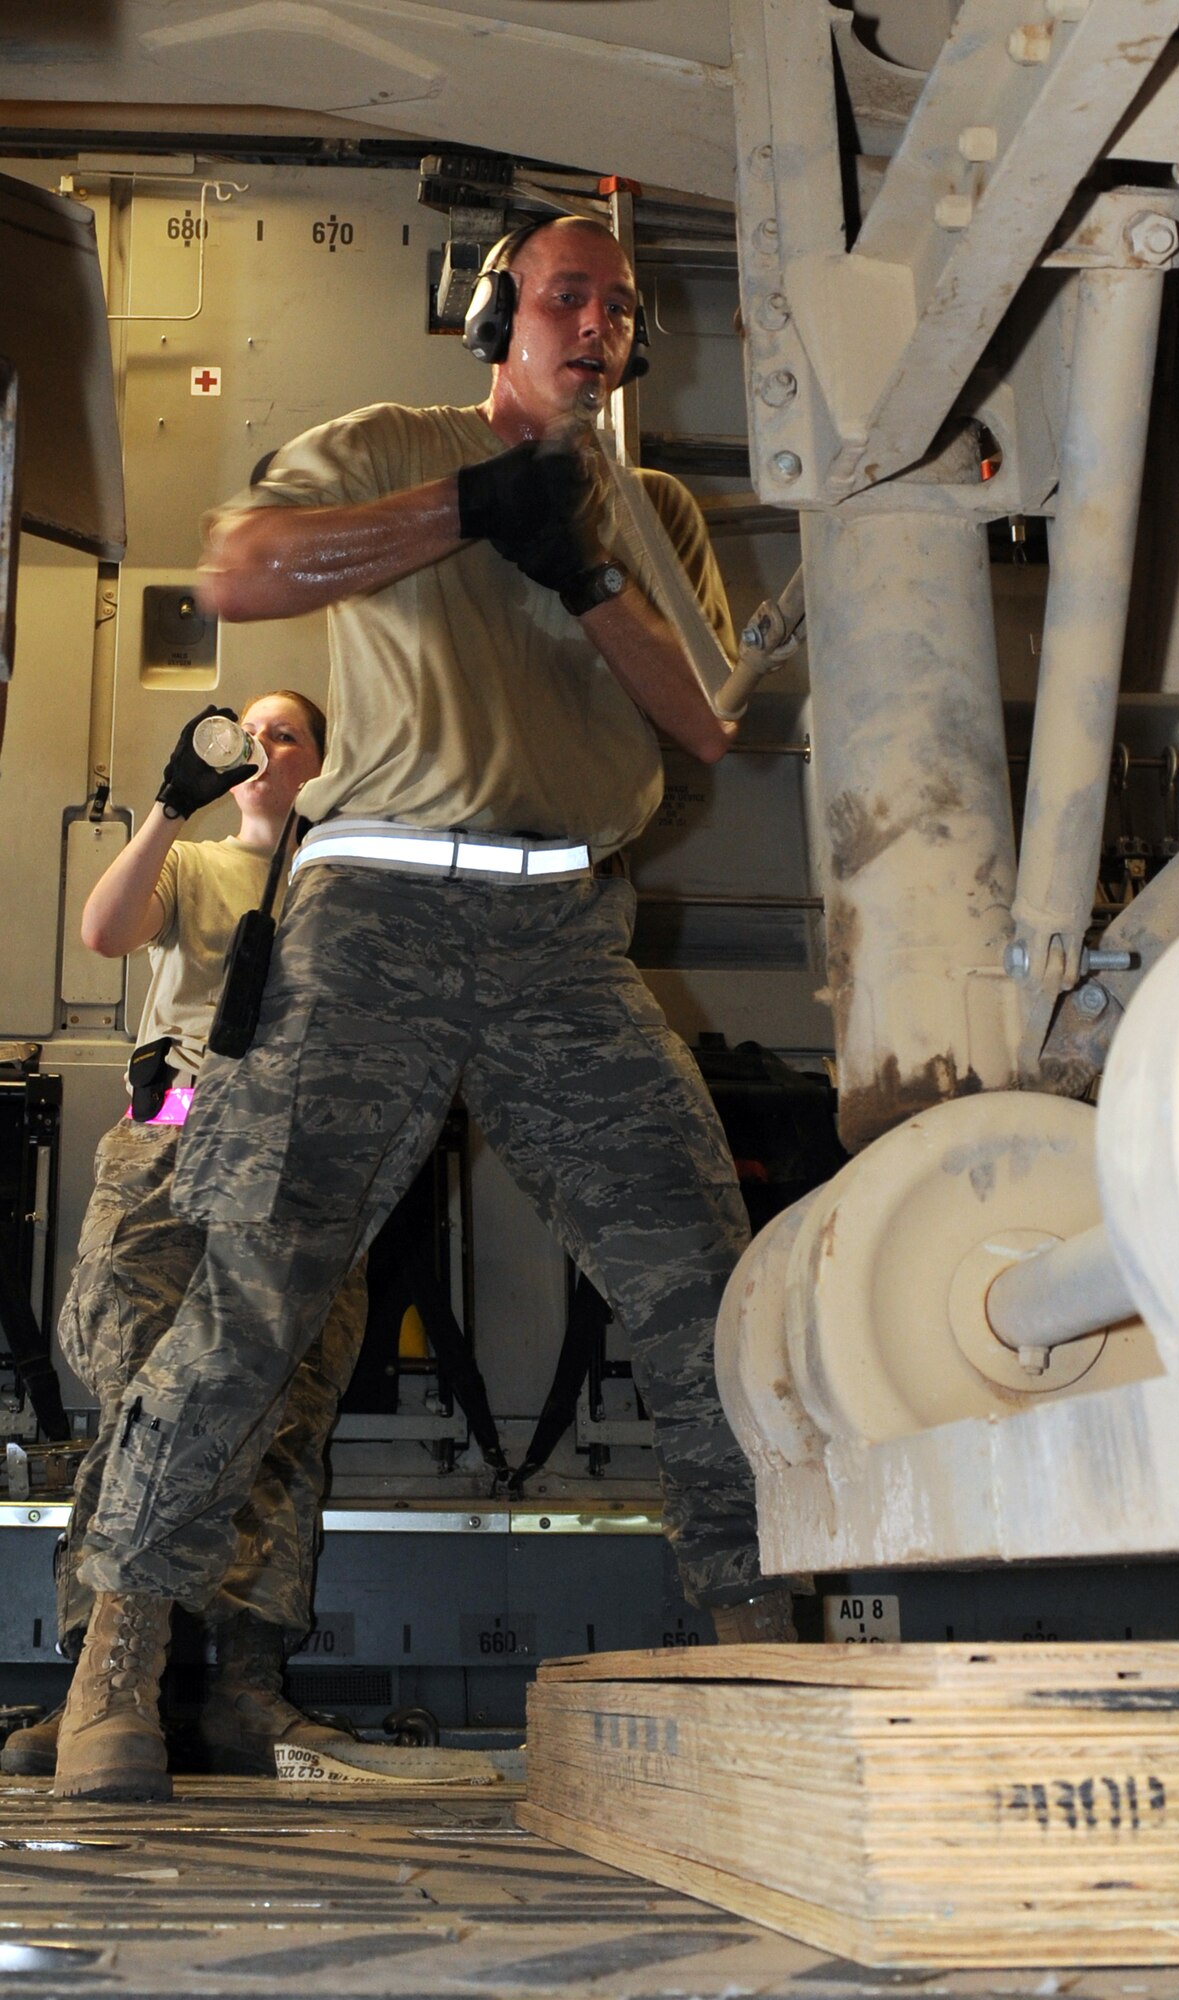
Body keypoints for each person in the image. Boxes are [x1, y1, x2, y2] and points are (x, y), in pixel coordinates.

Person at [54, 215, 794, 1803]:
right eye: (563, 295)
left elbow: (703, 724)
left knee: (696, 1287)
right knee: (250, 1282)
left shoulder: (649, 508)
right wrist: (465, 506)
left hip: (562, 932)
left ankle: (744, 1631)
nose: (594, 323)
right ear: (493, 314)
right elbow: (242, 571)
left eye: (618, 306)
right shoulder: (386, 445)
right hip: (373, 912)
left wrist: (580, 563)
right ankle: (118, 1662)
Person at [12, 692, 452, 1794]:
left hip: (300, 1164)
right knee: (136, 1397)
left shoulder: (354, 887)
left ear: (321, 764)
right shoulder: (199, 864)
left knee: (282, 1406)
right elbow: (106, 930)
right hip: (171, 1143)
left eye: (286, 736)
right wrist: (167, 805)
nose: (262, 751)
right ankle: (105, 1685)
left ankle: (243, 1688)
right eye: (245, 735)